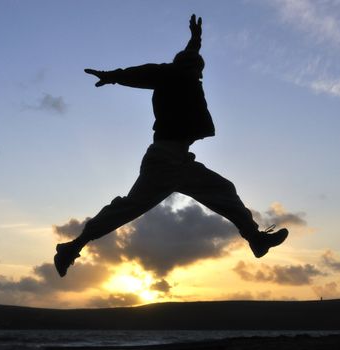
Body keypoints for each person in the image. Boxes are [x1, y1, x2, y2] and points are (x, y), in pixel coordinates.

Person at [54, 14, 288, 277]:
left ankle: (255, 239)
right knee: (127, 208)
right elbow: (142, 74)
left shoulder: (185, 72)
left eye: (200, 71)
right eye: (197, 71)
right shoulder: (171, 74)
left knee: (223, 189)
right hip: (164, 160)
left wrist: (196, 38)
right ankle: (71, 248)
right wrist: (113, 76)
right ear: (187, 68)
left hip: (180, 160)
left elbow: (189, 55)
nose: (200, 76)